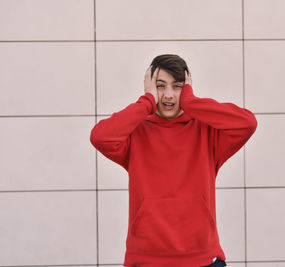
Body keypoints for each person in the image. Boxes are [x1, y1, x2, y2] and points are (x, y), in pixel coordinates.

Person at [90, 54, 257, 267]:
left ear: (187, 88)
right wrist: (147, 102)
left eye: (177, 86)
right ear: (149, 87)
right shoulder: (135, 133)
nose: (169, 95)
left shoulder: (206, 132)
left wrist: (191, 102)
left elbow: (247, 123)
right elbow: (100, 137)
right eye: (160, 86)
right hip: (146, 261)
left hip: (203, 259)